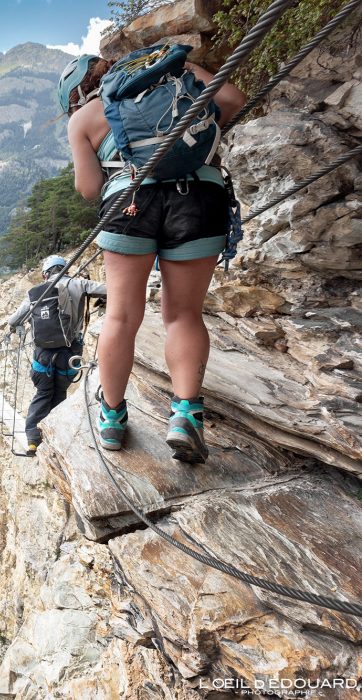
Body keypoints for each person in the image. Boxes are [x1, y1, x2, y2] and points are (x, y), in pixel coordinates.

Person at [57, 52, 246, 463]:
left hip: (130, 203)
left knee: (121, 316)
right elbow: (231, 98)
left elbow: (89, 188)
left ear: (76, 94)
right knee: (183, 315)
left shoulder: (83, 118)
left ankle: (111, 418)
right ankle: (185, 417)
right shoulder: (174, 76)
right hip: (199, 198)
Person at [8, 255, 106, 456]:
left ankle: (33, 441)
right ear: (64, 269)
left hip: (42, 355)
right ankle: (57, 436)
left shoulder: (35, 294)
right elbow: (110, 289)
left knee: (43, 393)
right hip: (69, 353)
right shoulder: (77, 283)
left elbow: (14, 319)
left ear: (45, 274)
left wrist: (15, 327)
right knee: (60, 392)